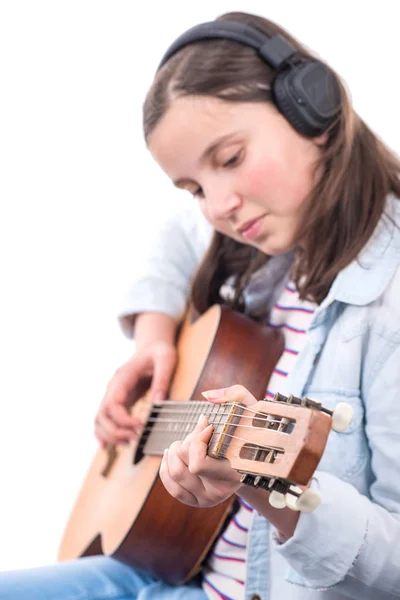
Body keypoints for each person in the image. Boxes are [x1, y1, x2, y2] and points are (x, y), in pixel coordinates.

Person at [1, 9, 400, 600]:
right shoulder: (269, 233)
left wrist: (266, 487)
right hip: (160, 569)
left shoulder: (385, 304)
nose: (218, 207)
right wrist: (153, 343)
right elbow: (171, 237)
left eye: (230, 158)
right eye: (193, 188)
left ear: (313, 111)